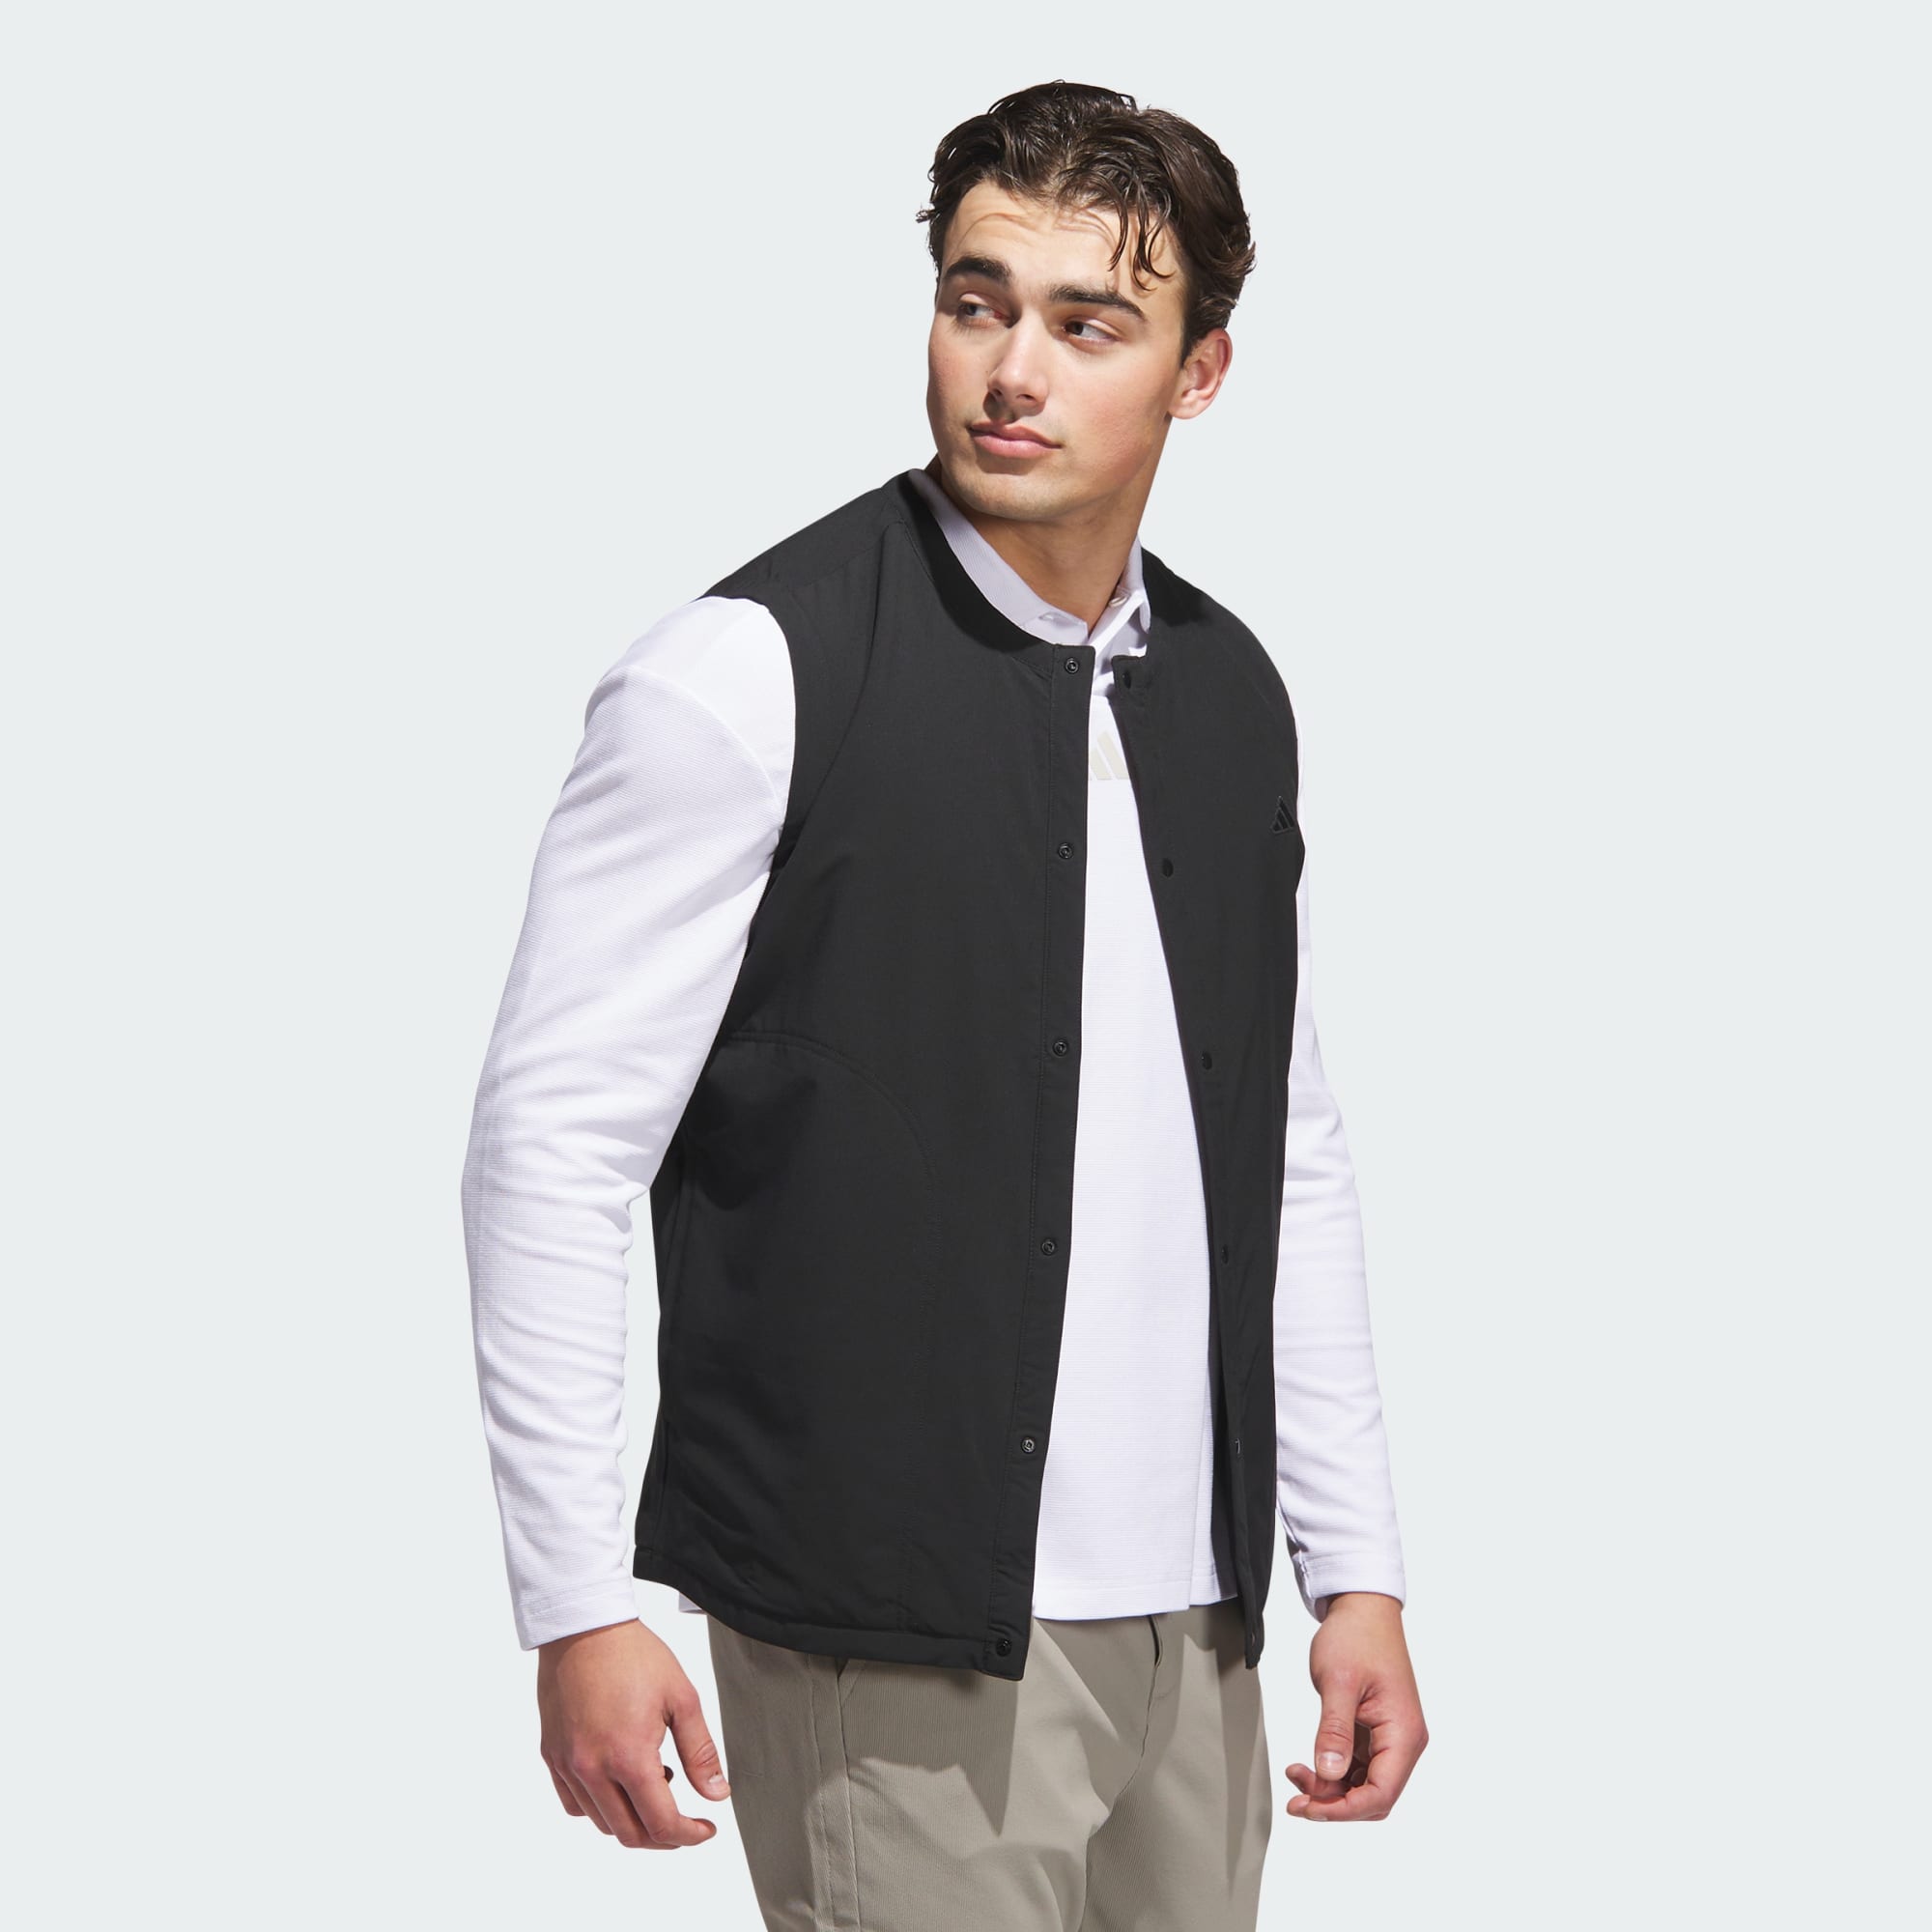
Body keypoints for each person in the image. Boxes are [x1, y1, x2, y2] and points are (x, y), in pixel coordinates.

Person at [461, 78, 1428, 1931]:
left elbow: (1282, 1146)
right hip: (886, 1633)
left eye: (1089, 325)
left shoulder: (1229, 692)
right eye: (978, 304)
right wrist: (577, 1603)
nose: (1012, 372)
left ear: (1201, 373)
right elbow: (554, 1149)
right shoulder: (745, 677)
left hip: (1201, 1631)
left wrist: (1354, 1568)